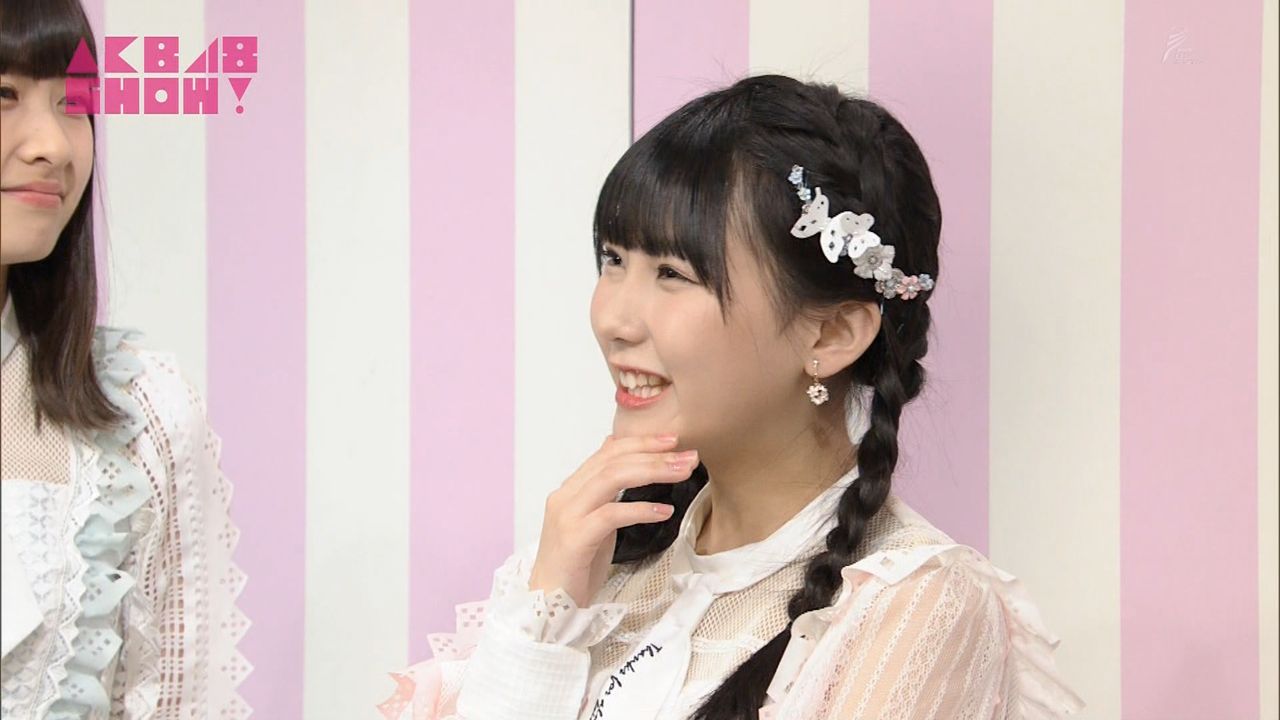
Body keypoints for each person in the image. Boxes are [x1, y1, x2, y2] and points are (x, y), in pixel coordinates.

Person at [378, 75, 1086, 719]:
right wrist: (544, 621)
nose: (614, 318)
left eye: (673, 274)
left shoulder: (915, 606)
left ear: (833, 333)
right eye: (614, 260)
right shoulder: (590, 570)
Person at [0, 0, 249, 716]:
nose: (53, 144)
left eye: (74, 103)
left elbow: (180, 702)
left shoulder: (138, 414)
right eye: (4, 93)